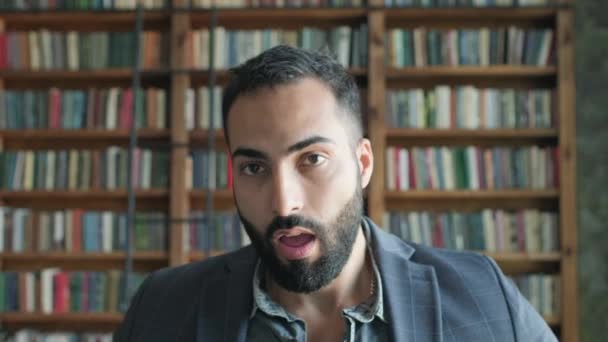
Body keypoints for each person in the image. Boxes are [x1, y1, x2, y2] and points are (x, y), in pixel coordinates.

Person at [114, 45, 557, 342]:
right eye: (254, 167)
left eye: (312, 160)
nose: (284, 203)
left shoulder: (484, 295)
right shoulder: (160, 310)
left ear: (363, 164)